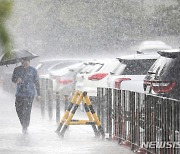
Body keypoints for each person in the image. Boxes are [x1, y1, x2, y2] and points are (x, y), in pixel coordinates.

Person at [12, 58, 41, 134]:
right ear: (21, 61)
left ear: (29, 61)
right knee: (19, 109)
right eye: (24, 61)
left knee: (27, 111)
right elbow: (13, 79)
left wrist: (39, 94)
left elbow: (37, 82)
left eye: (27, 61)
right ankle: (23, 124)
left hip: (29, 94)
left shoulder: (33, 70)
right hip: (19, 94)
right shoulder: (17, 69)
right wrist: (16, 79)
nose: (26, 63)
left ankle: (25, 127)